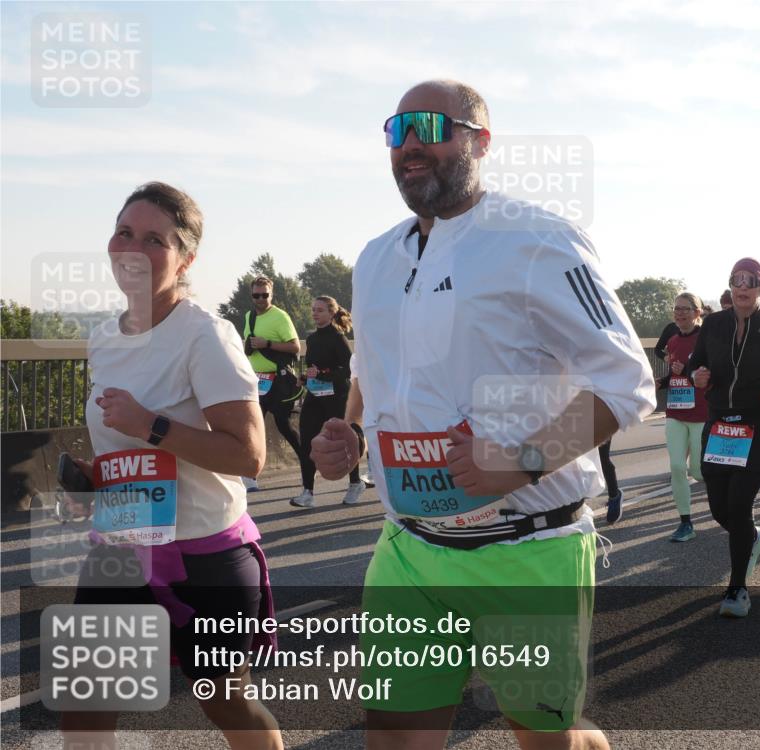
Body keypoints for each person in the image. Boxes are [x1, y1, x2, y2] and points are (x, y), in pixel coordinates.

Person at [310, 80, 655, 749]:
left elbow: (625, 380)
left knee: (544, 738)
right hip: (409, 550)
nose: (410, 143)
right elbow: (369, 367)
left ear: (479, 140)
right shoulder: (376, 257)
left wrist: (520, 462)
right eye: (397, 129)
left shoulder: (541, 241)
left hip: (528, 551)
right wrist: (349, 430)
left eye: (428, 126)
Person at [60, 182, 281, 749]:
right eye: (123, 233)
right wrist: (96, 479)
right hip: (121, 547)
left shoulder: (206, 336)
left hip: (204, 557)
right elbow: (128, 448)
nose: (132, 249)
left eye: (154, 239)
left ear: (186, 258)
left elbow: (248, 456)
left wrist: (150, 425)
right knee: (84, 709)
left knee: (226, 703)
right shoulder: (105, 337)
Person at [689, 258, 760, 618]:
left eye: (750, 281)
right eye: (737, 280)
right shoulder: (714, 325)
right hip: (721, 425)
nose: (743, 287)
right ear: (731, 287)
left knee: (738, 505)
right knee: (720, 508)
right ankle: (751, 537)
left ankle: (737, 590)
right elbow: (696, 364)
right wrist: (697, 376)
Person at [290, 296, 366, 507]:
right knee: (308, 440)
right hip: (315, 396)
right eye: (313, 309)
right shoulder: (312, 339)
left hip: (337, 397)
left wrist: (324, 375)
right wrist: (305, 377)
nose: (315, 313)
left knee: (344, 442)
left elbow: (347, 370)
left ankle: (355, 483)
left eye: (320, 310)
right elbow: (315, 368)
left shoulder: (338, 338)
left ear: (331, 313)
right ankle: (307, 492)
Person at [242, 275, 302, 490]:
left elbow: (296, 347)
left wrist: (267, 343)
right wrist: (249, 347)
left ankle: (306, 463)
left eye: (265, 295)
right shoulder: (249, 316)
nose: (260, 299)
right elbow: (248, 346)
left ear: (271, 294)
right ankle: (249, 476)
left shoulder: (280, 316)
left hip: (278, 380)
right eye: (256, 295)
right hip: (257, 380)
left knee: (284, 425)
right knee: (251, 426)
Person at [662, 293, 707, 541]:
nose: (680, 313)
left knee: (699, 472)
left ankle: (727, 493)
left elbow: (713, 373)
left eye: (686, 309)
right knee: (677, 467)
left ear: (697, 312)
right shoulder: (672, 341)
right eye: (676, 309)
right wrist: (661, 381)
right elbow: (674, 375)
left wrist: (688, 370)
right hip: (676, 412)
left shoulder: (707, 340)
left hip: (701, 413)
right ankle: (685, 522)